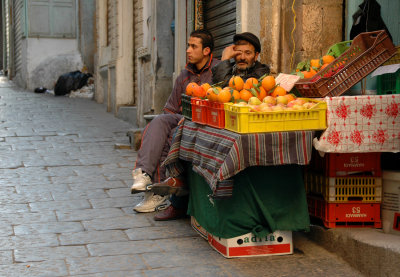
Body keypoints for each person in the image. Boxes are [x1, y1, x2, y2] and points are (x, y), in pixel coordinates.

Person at [150, 32, 270, 220]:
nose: (243, 57)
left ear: (256, 56)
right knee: (185, 134)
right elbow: (218, 88)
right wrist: (226, 61)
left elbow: (245, 89)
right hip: (220, 124)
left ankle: (181, 197)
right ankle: (178, 197)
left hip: (243, 128)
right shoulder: (228, 69)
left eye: (248, 53)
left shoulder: (262, 73)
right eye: (239, 52)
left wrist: (224, 62)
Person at [131, 29, 220, 213]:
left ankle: (158, 194)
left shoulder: (218, 71)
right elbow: (170, 108)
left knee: (172, 133)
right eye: (188, 45)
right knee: (160, 123)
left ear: (206, 51)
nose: (188, 50)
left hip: (205, 123)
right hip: (181, 120)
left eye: (193, 46)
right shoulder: (184, 75)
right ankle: (144, 175)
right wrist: (172, 121)